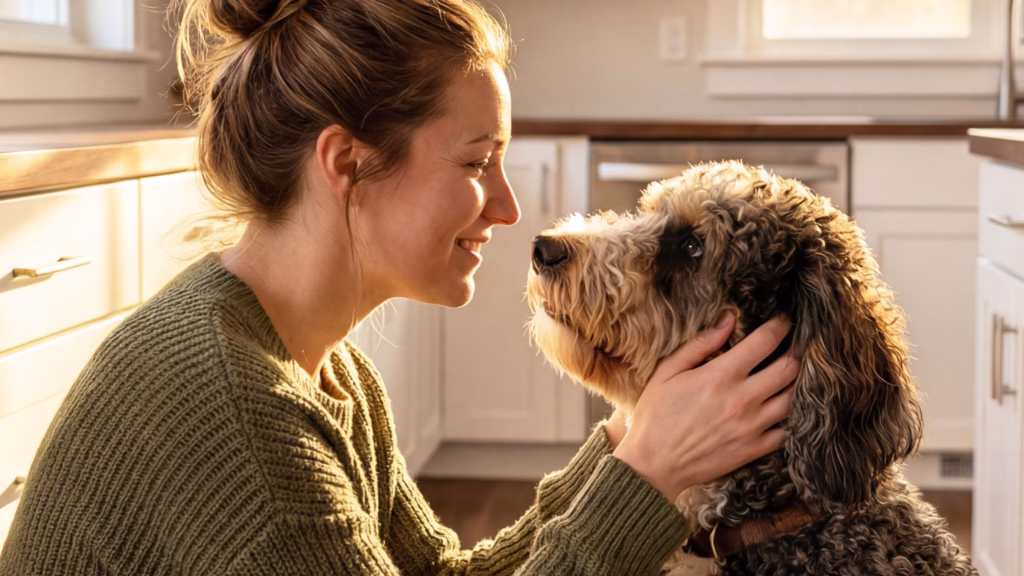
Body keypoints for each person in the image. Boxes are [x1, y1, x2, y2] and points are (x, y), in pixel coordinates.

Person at [0, 0, 797, 574]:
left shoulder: (321, 367)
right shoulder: (235, 414)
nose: (510, 207)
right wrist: (647, 476)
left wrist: (632, 440)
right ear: (347, 163)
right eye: (476, 162)